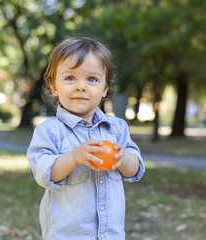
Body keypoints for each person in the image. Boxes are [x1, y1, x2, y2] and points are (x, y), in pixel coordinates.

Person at [27, 37, 145, 240]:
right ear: (54, 87)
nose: (81, 86)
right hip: (68, 234)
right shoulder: (49, 131)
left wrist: (122, 158)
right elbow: (43, 173)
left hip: (110, 235)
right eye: (70, 78)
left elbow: (135, 169)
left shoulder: (116, 128)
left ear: (105, 89)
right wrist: (74, 158)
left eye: (92, 79)